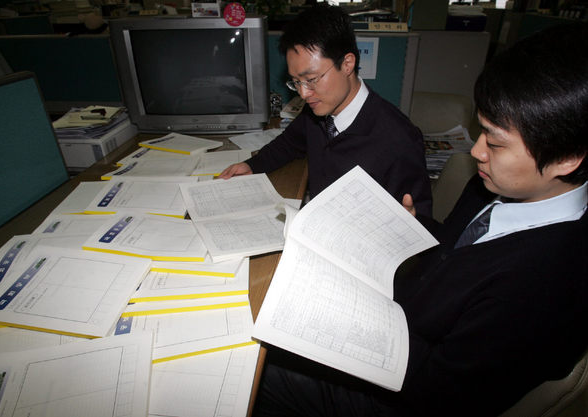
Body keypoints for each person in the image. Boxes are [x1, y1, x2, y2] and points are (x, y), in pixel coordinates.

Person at [252, 22, 588, 417]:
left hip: (402, 392)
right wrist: (413, 228)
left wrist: (346, 327)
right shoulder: (499, 186)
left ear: (566, 158)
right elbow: (457, 253)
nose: (477, 151)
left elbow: (438, 396)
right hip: (402, 316)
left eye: (495, 142)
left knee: (253, 364)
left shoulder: (544, 286)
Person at [219, 4, 432, 216]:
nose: (303, 93)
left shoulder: (399, 140)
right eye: (296, 82)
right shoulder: (318, 111)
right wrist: (253, 165)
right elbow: (289, 143)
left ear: (347, 64)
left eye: (311, 79)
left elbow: (421, 221)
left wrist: (410, 226)